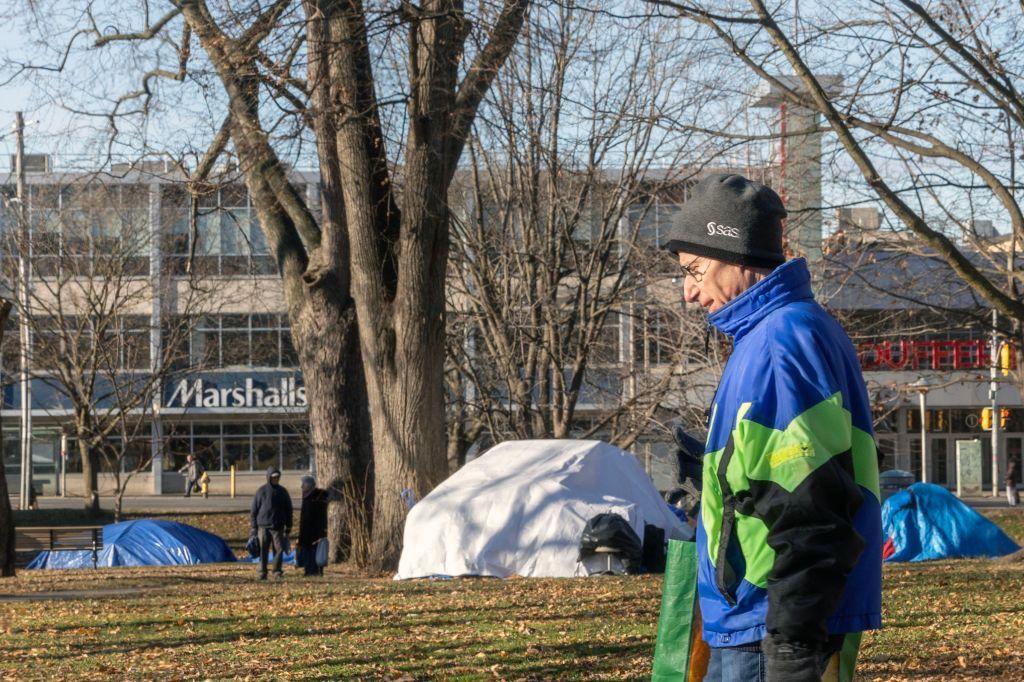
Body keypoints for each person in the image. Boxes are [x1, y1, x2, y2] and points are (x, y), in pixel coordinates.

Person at [661, 174, 882, 682]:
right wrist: (717, 476)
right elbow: (792, 471)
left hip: (768, 629)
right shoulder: (773, 334)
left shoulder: (781, 340)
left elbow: (811, 502)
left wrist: (793, 642)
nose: (689, 292)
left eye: (696, 270)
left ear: (735, 253)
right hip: (758, 620)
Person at [250, 466, 293, 580]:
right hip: (263, 527)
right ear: (268, 477)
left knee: (279, 550)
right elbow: (254, 511)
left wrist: (289, 526)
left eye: (277, 477)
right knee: (263, 550)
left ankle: (277, 572)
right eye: (273, 477)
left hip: (278, 527)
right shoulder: (261, 491)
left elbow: (289, 510)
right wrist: (254, 528)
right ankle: (262, 572)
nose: (276, 479)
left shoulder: (283, 492)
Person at [297, 475, 329, 576]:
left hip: (315, 530)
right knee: (306, 550)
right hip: (305, 529)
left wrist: (322, 532)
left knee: (315, 551)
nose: (302, 486)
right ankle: (308, 570)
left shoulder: (318, 497)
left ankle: (316, 570)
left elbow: (321, 516)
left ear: (309, 485)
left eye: (304, 484)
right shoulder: (306, 496)